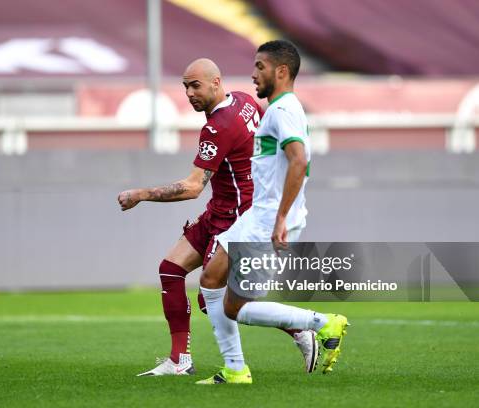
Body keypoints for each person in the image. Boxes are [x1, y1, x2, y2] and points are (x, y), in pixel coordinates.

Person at [197, 40, 349, 385]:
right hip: (257, 215)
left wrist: (281, 218)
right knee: (210, 281)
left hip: (268, 220)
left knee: (235, 307)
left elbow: (299, 160)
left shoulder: (282, 111)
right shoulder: (283, 107)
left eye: (260, 67)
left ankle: (321, 322)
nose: (253, 75)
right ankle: (235, 369)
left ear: (281, 71)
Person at [117, 58, 260, 376]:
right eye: (185, 86)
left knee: (214, 299)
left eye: (195, 85)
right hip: (221, 209)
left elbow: (193, 186)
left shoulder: (217, 127)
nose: (189, 93)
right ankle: (180, 360)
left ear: (216, 82)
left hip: (236, 216)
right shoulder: (245, 101)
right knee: (170, 269)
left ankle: (302, 328)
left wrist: (141, 194)